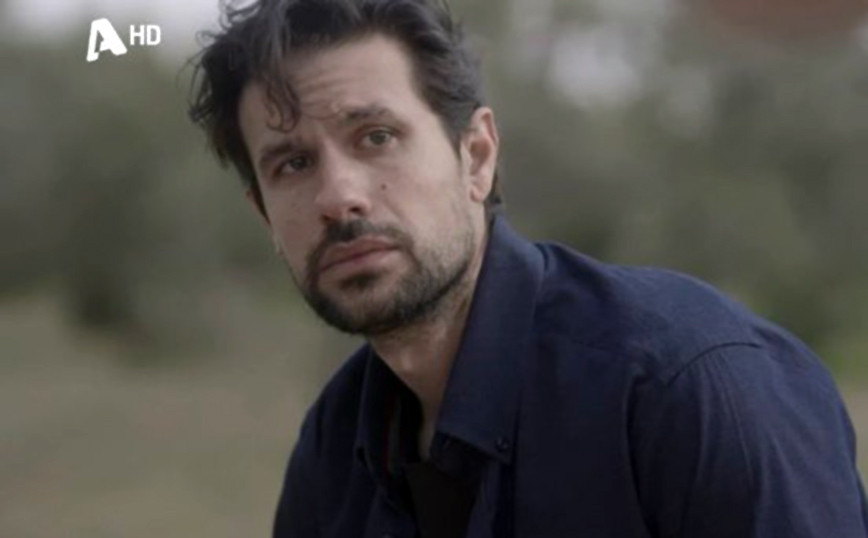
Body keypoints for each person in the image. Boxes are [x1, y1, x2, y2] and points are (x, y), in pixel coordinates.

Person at [187, 0, 868, 536]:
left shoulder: (685, 383)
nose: (339, 197)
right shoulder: (337, 447)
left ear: (476, 157)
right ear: (265, 215)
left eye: (377, 136)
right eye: (293, 164)